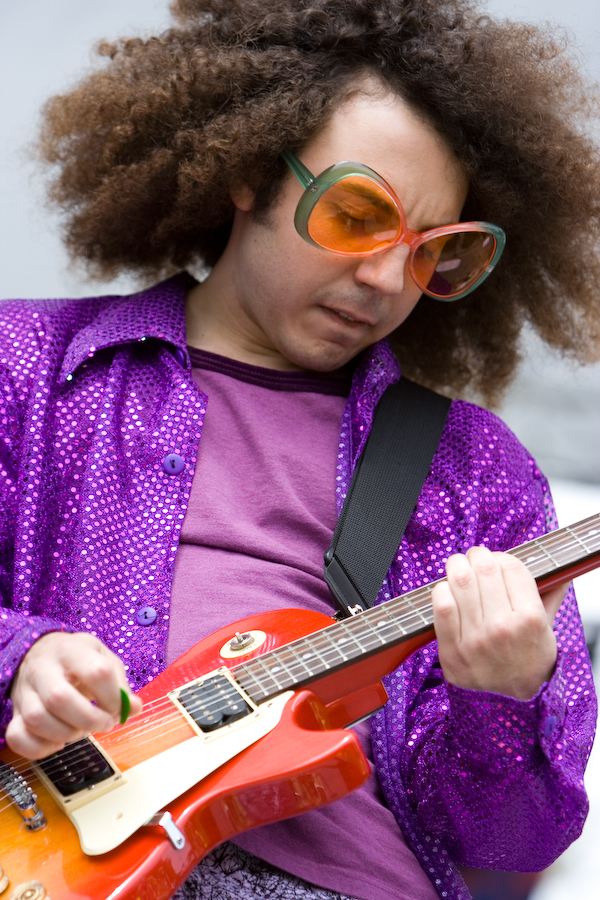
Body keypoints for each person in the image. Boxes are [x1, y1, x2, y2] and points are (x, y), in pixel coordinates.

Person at [1, 1, 599, 898]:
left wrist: (504, 697)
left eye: (433, 253)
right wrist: (21, 659)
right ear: (250, 172)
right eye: (357, 214)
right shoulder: (25, 367)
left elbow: (514, 844)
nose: (385, 279)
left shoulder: (479, 472)